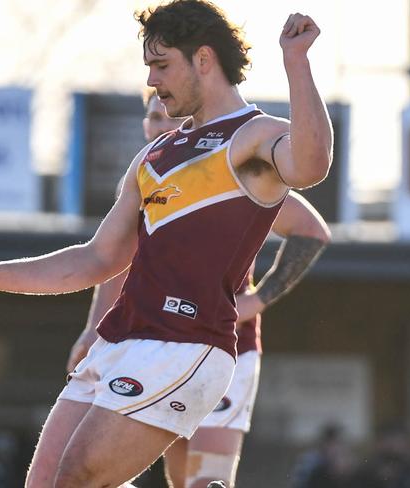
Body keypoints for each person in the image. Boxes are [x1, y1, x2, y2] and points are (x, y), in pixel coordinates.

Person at [0, 1, 333, 486]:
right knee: (44, 485)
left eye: (161, 65)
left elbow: (312, 165)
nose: (152, 81)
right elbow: (98, 258)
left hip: (185, 345)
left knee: (76, 480)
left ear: (203, 59)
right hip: (121, 341)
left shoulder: (254, 136)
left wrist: (296, 63)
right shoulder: (152, 156)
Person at [67, 89, 331, 488]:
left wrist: (255, 302)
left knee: (207, 476)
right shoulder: (146, 176)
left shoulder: (226, 168)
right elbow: (115, 263)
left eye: (169, 117)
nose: (162, 125)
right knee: (177, 477)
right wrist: (93, 330)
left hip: (224, 347)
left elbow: (312, 231)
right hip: (154, 346)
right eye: (153, 118)